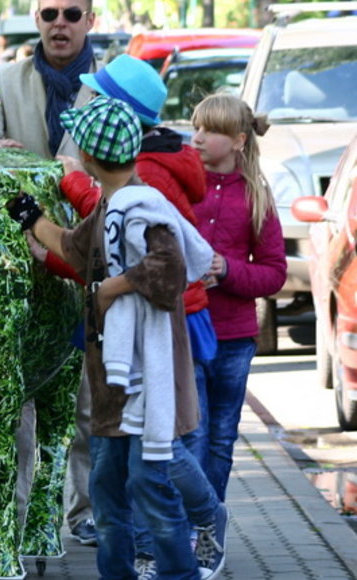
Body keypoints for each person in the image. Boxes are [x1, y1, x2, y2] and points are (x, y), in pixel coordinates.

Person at [16, 95, 218, 580]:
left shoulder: (141, 207)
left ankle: (182, 569)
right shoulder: (111, 203)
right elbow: (74, 246)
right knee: (108, 497)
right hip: (112, 385)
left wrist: (112, 287)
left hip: (144, 383)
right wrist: (31, 221)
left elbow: (168, 271)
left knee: (152, 492)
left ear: (86, 156)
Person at [0, 0, 101, 546]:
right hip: (16, 264)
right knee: (13, 399)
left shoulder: (109, 84)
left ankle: (84, 510)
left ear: (91, 20)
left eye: (73, 12)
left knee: (88, 400)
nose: (60, 23)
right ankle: (14, 516)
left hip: (89, 266)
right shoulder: (5, 77)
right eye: (50, 13)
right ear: (36, 21)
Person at [188, 94, 287, 503]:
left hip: (233, 338)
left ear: (239, 140)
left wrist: (227, 269)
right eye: (196, 127)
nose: (197, 137)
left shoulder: (256, 198)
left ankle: (211, 523)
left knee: (221, 437)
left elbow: (274, 273)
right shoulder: (183, 188)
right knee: (191, 432)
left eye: (210, 130)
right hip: (188, 331)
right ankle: (192, 525)